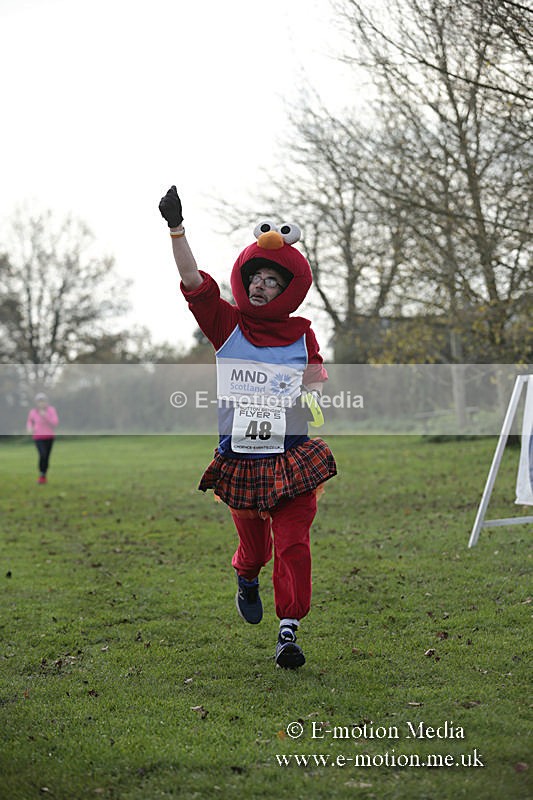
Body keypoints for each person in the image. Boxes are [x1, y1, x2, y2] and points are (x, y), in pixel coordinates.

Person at [159, 186, 337, 668]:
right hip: (242, 458)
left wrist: (312, 398)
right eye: (255, 277)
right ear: (244, 279)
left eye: (271, 282)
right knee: (255, 549)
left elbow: (315, 378)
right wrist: (177, 229)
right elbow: (193, 280)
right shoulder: (226, 325)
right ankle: (245, 575)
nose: (260, 285)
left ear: (288, 291)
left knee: (294, 542)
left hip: (294, 455)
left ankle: (288, 632)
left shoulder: (302, 333)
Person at [26, 393, 59, 484]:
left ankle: (44, 474)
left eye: (43, 401)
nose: (41, 403)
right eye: (39, 401)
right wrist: (29, 428)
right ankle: (42, 475)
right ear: (36, 403)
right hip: (38, 437)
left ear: (46, 402)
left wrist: (45, 416)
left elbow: (55, 423)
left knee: (46, 457)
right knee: (42, 455)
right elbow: (29, 422)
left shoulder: (51, 410)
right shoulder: (33, 412)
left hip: (49, 437)